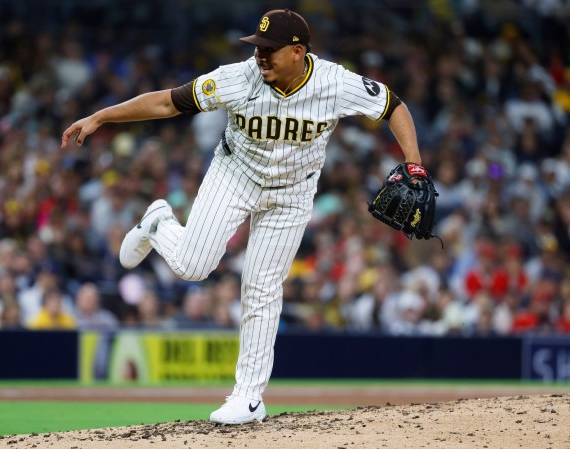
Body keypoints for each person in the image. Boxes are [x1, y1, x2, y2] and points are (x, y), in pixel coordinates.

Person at [61, 9, 424, 424]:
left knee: (263, 288)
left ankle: (248, 397)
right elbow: (167, 102)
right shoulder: (238, 78)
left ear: (298, 53)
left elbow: (392, 104)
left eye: (270, 50)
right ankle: (160, 221)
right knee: (192, 266)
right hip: (235, 176)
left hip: (293, 191)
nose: (261, 57)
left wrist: (413, 162)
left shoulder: (334, 82)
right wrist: (101, 116)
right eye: (258, 48)